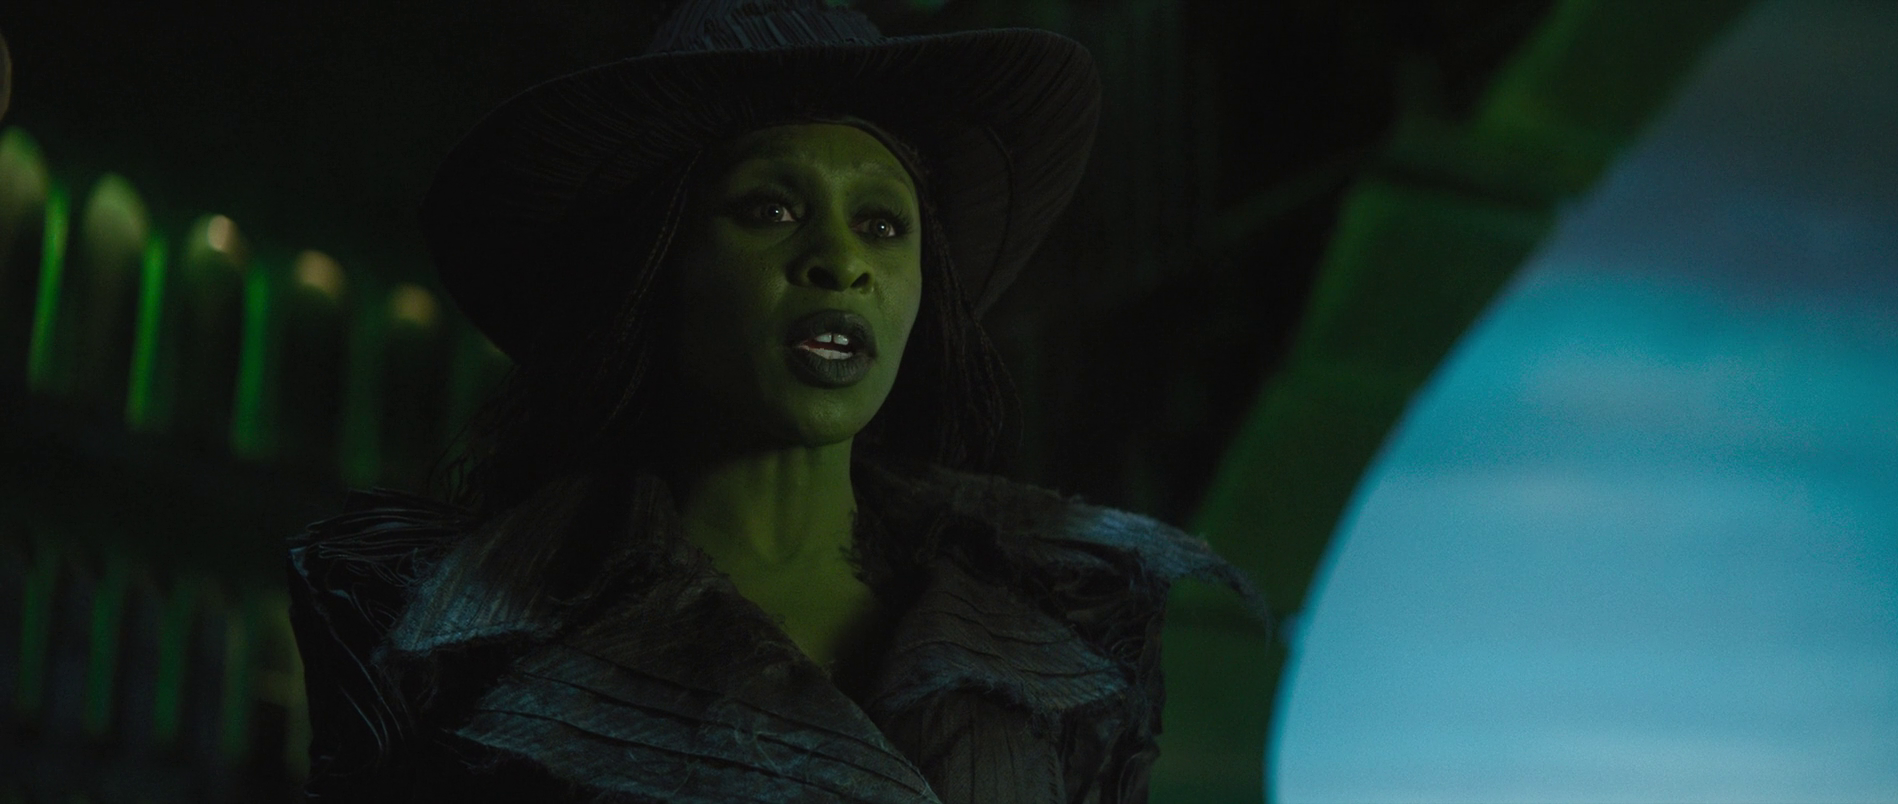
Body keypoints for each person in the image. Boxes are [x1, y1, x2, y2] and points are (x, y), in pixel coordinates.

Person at [286, 1, 1261, 801]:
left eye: (883, 224)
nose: (840, 261)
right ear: (661, 270)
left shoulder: (1067, 643)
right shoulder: (449, 644)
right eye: (772, 209)